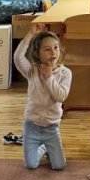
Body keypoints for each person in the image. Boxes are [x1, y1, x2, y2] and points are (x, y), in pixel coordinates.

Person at [13, 24, 71, 171]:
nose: (53, 52)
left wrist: (49, 77)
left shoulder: (65, 73)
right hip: (31, 127)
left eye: (56, 48)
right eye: (47, 49)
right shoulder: (32, 70)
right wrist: (30, 34)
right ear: (37, 53)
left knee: (59, 166)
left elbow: (61, 96)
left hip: (51, 128)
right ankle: (42, 149)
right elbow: (18, 58)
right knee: (31, 165)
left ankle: (47, 147)